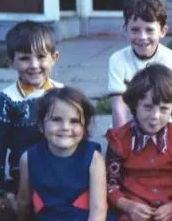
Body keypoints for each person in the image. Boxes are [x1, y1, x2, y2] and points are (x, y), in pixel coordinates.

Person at [106, 64, 172, 221]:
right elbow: (110, 185)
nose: (155, 116)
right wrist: (129, 206)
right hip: (133, 212)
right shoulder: (119, 140)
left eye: (163, 109)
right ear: (135, 105)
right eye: (148, 107)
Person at [0, 21, 62, 214]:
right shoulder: (8, 99)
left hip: (61, 165)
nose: (34, 65)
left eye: (41, 57)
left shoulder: (61, 93)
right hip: (24, 170)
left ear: (54, 58)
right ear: (12, 61)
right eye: (24, 58)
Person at [16, 86, 107, 221]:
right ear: (41, 125)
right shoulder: (28, 158)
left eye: (74, 121)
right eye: (56, 120)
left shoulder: (93, 159)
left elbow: (98, 210)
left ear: (85, 127)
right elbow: (24, 202)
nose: (65, 127)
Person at [108, 0, 172, 128]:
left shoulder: (167, 57)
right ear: (125, 30)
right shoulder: (117, 59)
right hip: (129, 122)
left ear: (163, 31)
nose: (142, 37)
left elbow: (165, 102)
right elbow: (118, 105)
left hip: (159, 119)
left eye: (149, 30)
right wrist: (121, 139)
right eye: (135, 30)